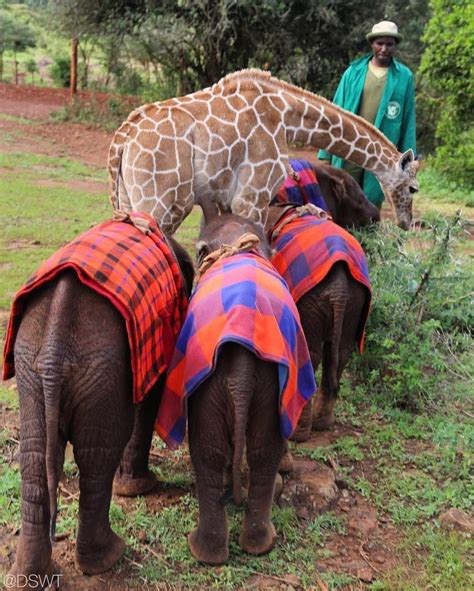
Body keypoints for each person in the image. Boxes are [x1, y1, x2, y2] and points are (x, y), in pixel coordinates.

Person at [318, 21, 416, 208]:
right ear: (372, 44)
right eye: (380, 43)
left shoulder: (404, 77)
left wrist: (408, 160)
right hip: (351, 145)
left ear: (395, 46)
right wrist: (325, 153)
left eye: (389, 44)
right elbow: (334, 112)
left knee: (372, 198)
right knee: (343, 192)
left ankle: (368, 236)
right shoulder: (353, 73)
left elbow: (408, 120)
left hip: (381, 152)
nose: (384, 48)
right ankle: (344, 235)